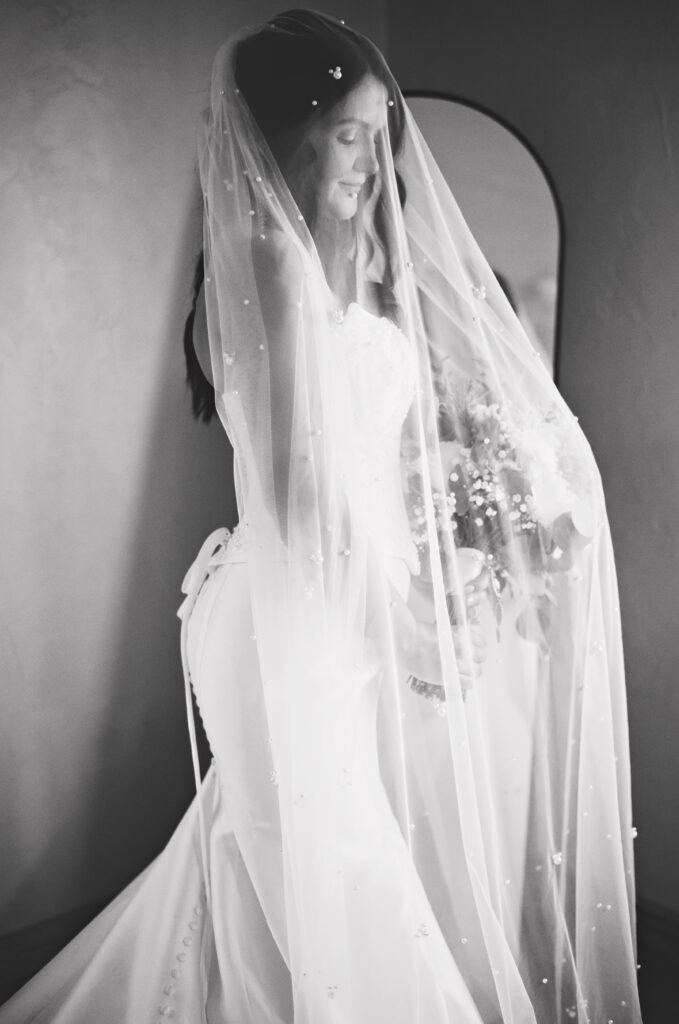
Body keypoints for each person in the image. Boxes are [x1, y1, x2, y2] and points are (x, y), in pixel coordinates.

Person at [0, 10, 642, 1024]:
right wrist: (410, 619)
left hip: (332, 611)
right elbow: (302, 493)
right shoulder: (265, 259)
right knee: (347, 878)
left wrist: (448, 559)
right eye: (351, 134)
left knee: (266, 869)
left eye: (380, 133)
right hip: (286, 617)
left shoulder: (334, 270)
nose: (374, 159)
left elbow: (367, 465)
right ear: (288, 134)